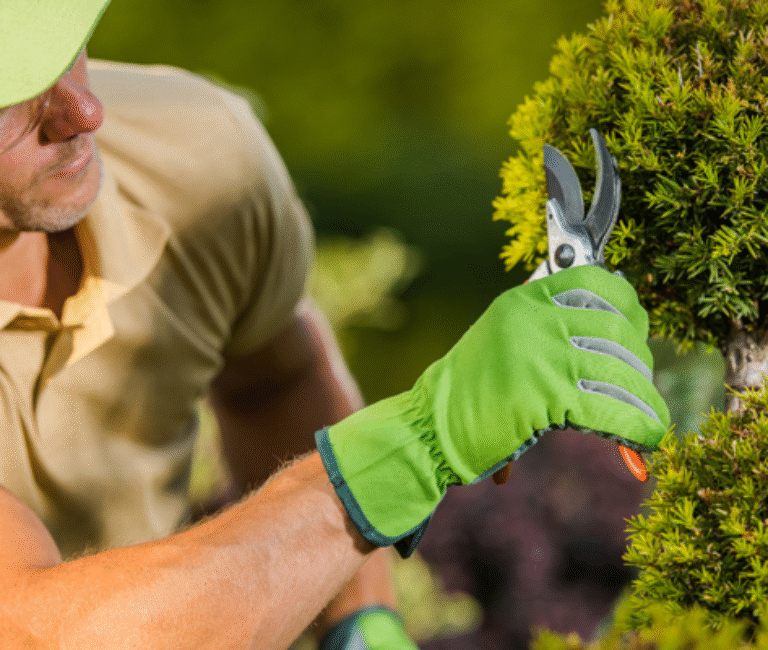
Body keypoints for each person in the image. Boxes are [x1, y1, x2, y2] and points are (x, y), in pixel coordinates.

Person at [0, 2, 670, 648]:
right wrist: (412, 448)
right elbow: (45, 635)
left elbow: (276, 379)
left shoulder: (196, 157)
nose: (83, 112)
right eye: (12, 103)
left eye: (68, 51)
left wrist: (359, 620)